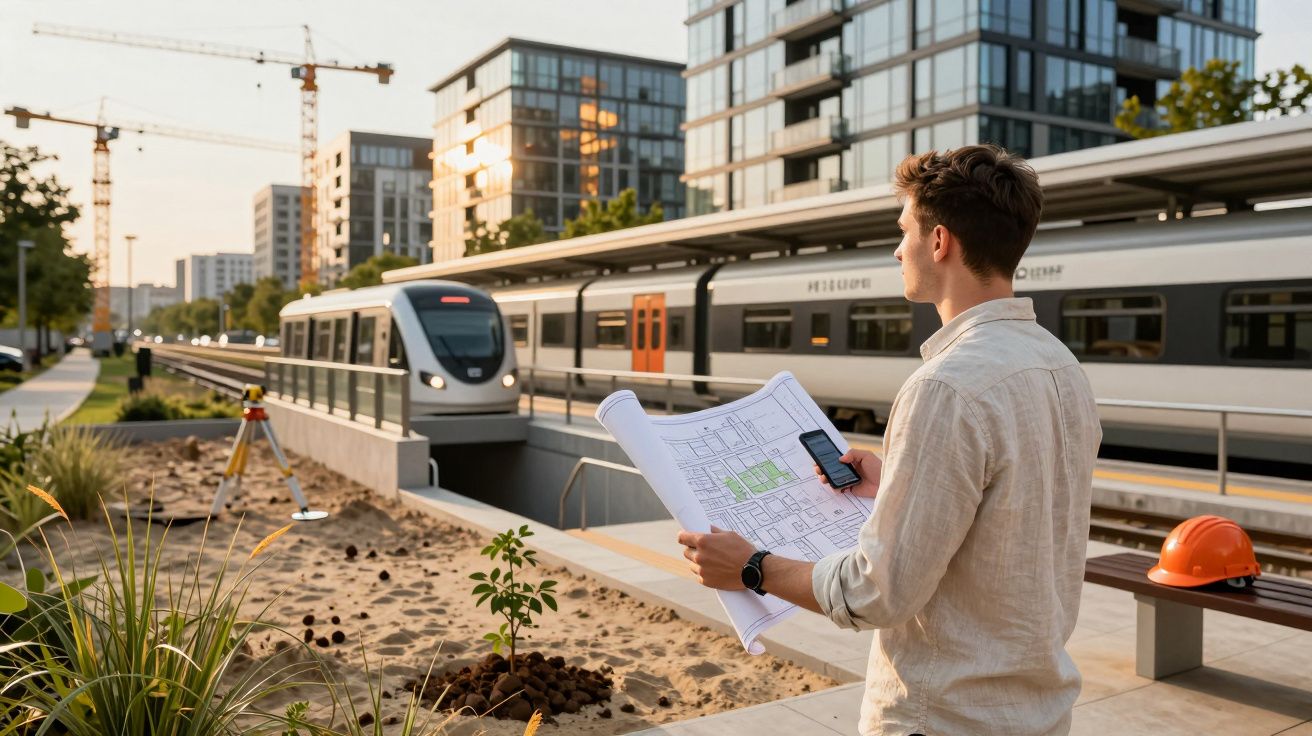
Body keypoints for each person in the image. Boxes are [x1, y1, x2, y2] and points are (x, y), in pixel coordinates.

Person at [678, 145, 1103, 735]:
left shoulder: (945, 388)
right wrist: (897, 482)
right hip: (1038, 714)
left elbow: (879, 592)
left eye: (904, 230)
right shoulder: (1061, 367)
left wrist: (752, 567)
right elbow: (1010, 519)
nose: (897, 248)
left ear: (940, 242)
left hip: (942, 718)